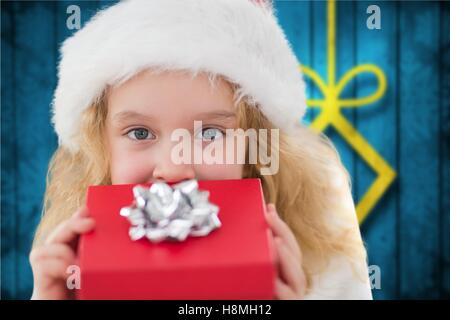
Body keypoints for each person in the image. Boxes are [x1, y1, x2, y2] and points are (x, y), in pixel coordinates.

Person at [30, 0, 372, 300]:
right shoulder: (72, 262)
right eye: (139, 132)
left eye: (209, 133)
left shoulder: (319, 255)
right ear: (100, 147)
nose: (175, 167)